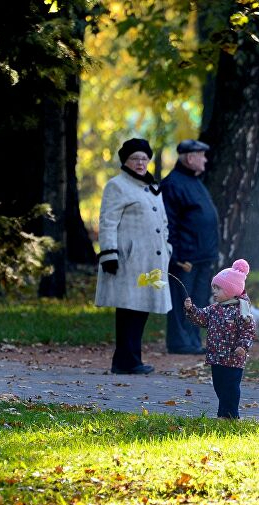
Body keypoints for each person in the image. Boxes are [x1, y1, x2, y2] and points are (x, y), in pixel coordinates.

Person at [95, 138, 172, 375]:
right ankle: (125, 361)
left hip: (151, 260)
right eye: (134, 159)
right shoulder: (117, 185)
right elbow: (107, 221)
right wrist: (109, 254)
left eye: (144, 158)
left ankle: (131, 359)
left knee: (142, 308)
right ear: (125, 161)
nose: (140, 163)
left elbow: (163, 222)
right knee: (128, 308)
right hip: (129, 260)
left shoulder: (151, 187)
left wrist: (167, 248)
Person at [161, 139, 220, 355]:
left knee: (199, 300)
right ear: (190, 157)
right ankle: (180, 342)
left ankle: (193, 341)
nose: (205, 159)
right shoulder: (173, 183)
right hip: (185, 256)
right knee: (183, 300)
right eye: (201, 155)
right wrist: (175, 255)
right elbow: (169, 222)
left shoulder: (194, 181)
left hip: (202, 256)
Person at [184, 259, 256, 419]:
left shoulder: (241, 311)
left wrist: (243, 347)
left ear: (231, 290)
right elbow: (202, 318)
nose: (214, 292)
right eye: (214, 288)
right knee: (220, 387)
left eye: (218, 289)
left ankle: (230, 416)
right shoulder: (214, 309)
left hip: (233, 358)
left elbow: (248, 331)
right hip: (216, 357)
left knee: (230, 387)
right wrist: (191, 309)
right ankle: (225, 413)